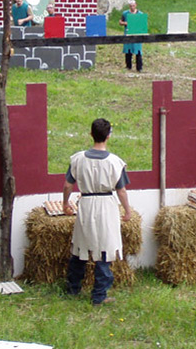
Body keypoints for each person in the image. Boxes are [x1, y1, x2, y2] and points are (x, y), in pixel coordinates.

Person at [62, 118, 133, 306]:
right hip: (106, 206)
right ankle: (99, 295)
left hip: (85, 203)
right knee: (104, 248)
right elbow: (121, 190)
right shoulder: (115, 162)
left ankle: (73, 287)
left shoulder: (77, 159)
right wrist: (127, 210)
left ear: (91, 134)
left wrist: (65, 204)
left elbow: (68, 185)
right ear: (109, 135)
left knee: (80, 246)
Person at [119, 0, 143, 72]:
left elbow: (142, 24)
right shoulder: (125, 13)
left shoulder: (140, 14)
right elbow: (120, 22)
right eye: (131, 6)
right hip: (128, 33)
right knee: (128, 51)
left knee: (138, 51)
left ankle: (139, 67)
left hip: (137, 33)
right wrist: (125, 23)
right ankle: (128, 66)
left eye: (133, 6)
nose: (132, 7)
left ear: (135, 5)